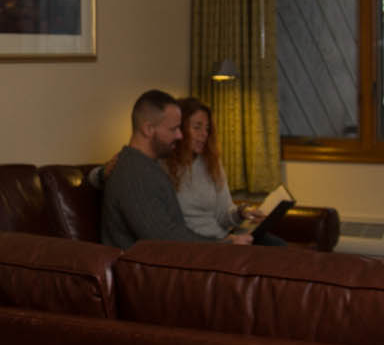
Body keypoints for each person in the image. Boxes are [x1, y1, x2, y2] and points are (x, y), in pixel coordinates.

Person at [101, 89, 253, 249]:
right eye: (173, 129)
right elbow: (164, 239)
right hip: (154, 268)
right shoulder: (135, 174)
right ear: (148, 129)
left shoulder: (147, 167)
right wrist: (224, 245)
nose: (180, 136)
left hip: (176, 259)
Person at [163, 97, 287, 246]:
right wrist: (224, 242)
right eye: (197, 127)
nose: (204, 134)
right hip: (202, 244)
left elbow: (224, 214)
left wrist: (242, 212)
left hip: (225, 237)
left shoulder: (211, 163)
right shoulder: (164, 167)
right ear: (180, 128)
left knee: (280, 247)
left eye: (207, 129)